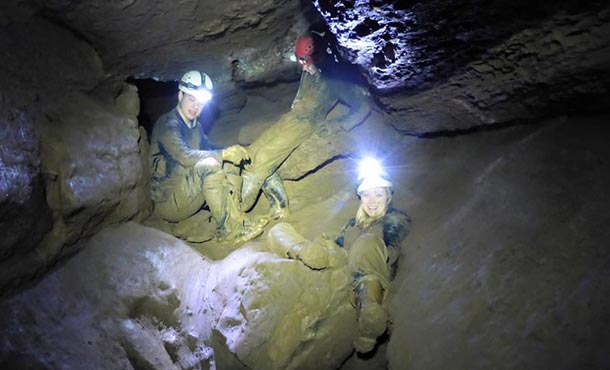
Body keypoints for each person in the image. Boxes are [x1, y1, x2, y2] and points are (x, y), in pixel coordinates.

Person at [266, 162, 411, 353]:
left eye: (378, 194)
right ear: (360, 197)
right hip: (345, 260)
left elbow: (391, 252)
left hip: (369, 269)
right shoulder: (353, 223)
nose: (372, 200)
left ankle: (368, 312)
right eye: (366, 194)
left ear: (388, 196)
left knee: (366, 243)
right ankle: (305, 251)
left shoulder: (394, 219)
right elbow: (339, 245)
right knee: (280, 230)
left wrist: (364, 246)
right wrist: (327, 247)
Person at [240, 32, 375, 216]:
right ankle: (278, 207)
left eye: (306, 61)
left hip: (305, 124)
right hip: (291, 118)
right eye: (300, 61)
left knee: (263, 159)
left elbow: (362, 106)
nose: (303, 66)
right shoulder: (310, 72)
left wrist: (336, 124)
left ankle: (237, 212)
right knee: (252, 153)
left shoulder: (332, 80)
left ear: (317, 58)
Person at [149, 70, 267, 244]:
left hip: (188, 192)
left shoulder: (194, 126)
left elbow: (210, 148)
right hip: (168, 201)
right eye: (191, 99)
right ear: (180, 95)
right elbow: (185, 156)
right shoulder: (168, 124)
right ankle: (227, 230)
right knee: (211, 164)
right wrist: (224, 154)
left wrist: (233, 152)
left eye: (201, 103)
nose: (195, 107)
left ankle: (238, 219)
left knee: (228, 161)